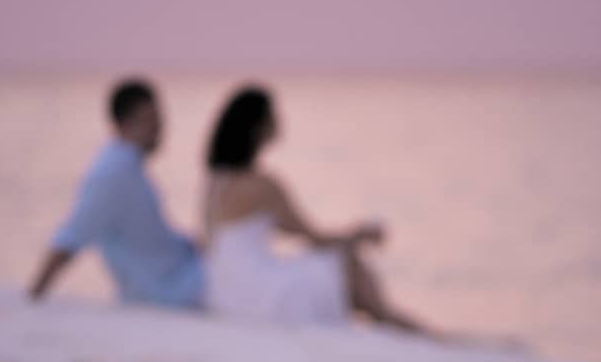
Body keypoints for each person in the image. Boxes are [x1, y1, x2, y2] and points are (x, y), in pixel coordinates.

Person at [202, 85, 426, 331]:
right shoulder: (264, 185)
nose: (279, 120)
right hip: (257, 297)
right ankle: (389, 318)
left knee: (330, 265)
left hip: (222, 294)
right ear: (259, 127)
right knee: (344, 261)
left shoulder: (215, 181)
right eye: (274, 114)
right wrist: (362, 234)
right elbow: (314, 238)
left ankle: (388, 318)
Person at [29, 79, 204, 308]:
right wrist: (34, 294)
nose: (158, 129)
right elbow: (72, 235)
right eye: (149, 121)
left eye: (159, 120)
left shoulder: (129, 167)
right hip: (169, 290)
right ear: (124, 124)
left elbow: (154, 240)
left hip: (180, 273)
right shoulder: (113, 171)